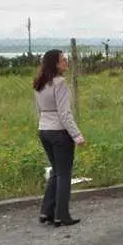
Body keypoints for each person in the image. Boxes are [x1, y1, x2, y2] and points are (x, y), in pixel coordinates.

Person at [33, 49, 85, 227]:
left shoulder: (40, 83)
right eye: (63, 60)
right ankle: (61, 214)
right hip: (59, 131)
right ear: (55, 64)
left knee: (56, 171)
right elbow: (65, 113)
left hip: (44, 129)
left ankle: (46, 211)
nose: (66, 63)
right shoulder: (60, 83)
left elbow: (38, 109)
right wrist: (76, 134)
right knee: (64, 174)